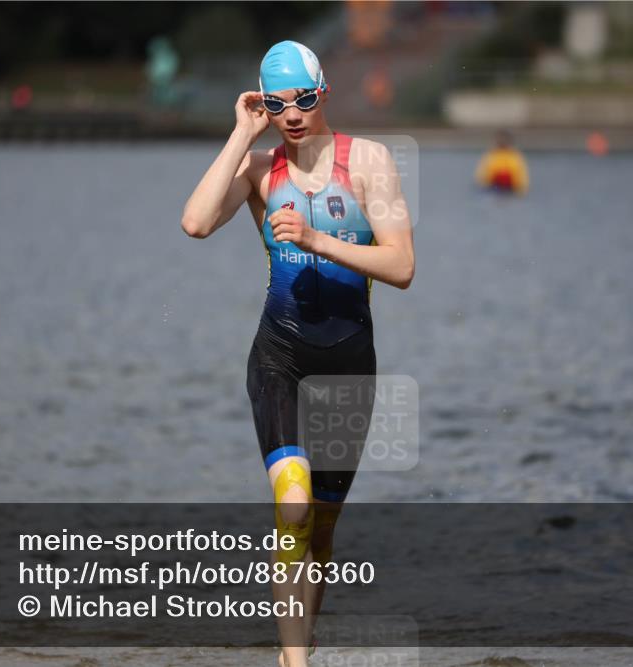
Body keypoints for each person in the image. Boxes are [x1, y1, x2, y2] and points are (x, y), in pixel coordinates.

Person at [181, 40, 415, 667]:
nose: (293, 114)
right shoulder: (261, 171)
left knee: (323, 528)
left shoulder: (369, 162)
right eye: (277, 104)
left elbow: (401, 266)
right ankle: (294, 663)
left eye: (304, 100)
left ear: (324, 95)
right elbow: (196, 223)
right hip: (279, 356)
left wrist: (315, 238)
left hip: (349, 364)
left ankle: (299, 638)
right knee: (292, 504)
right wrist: (239, 135)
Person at [475, 130, 530, 194]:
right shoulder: (490, 155)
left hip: (511, 188)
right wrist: (484, 184)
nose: (502, 142)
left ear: (509, 141)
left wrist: (521, 188)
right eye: (500, 140)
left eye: (504, 140)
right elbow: (481, 175)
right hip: (493, 187)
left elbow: (523, 175)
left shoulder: (516, 156)